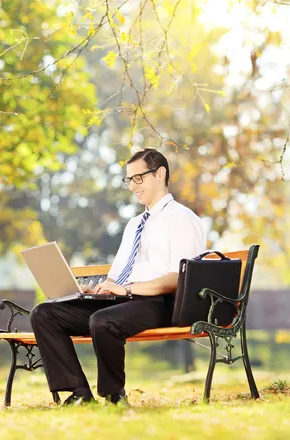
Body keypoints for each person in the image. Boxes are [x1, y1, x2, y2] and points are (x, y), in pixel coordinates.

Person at [29, 147, 206, 406]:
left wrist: (130, 290)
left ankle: (114, 396)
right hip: (121, 302)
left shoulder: (181, 219)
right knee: (44, 314)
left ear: (160, 174)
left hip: (160, 303)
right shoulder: (134, 223)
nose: (132, 186)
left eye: (138, 178)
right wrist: (97, 289)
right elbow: (118, 276)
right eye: (128, 180)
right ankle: (79, 393)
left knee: (103, 321)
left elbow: (180, 279)